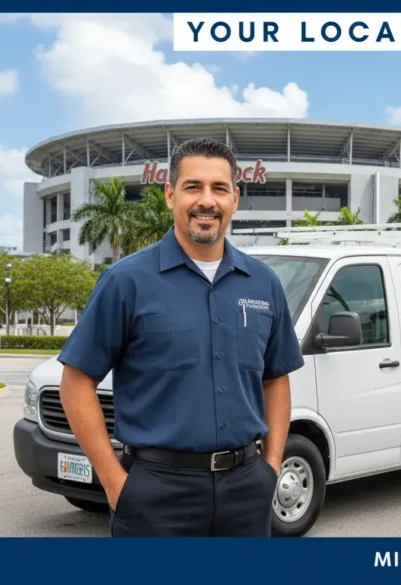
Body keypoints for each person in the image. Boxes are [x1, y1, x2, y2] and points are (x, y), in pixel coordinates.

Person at [58, 137, 305, 537]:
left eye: (219, 188)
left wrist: (271, 468)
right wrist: (115, 484)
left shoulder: (264, 284)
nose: (207, 201)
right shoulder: (126, 281)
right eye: (193, 187)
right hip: (154, 494)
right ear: (171, 195)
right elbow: (76, 383)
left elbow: (276, 379)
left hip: (247, 490)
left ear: (235, 199)